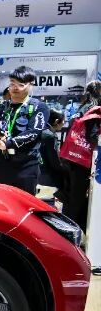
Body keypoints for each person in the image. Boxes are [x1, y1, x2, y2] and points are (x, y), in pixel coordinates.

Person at [0, 66, 47, 194]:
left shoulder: (39, 107)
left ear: (31, 85)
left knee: (23, 203)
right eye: (12, 83)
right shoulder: (1, 108)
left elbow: (33, 132)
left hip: (25, 167)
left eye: (21, 84)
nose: (15, 88)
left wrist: (7, 143)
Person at [61, 81, 101, 229]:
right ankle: (72, 229)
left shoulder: (82, 107)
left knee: (70, 195)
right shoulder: (94, 109)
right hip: (81, 160)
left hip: (70, 156)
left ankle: (65, 224)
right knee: (77, 197)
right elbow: (93, 137)